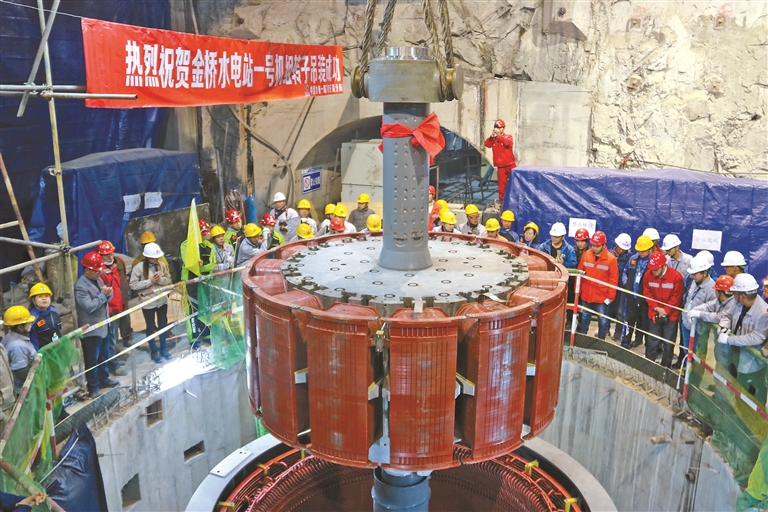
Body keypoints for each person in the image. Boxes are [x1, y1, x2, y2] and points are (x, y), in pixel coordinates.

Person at [717, 273, 768, 401]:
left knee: (752, 398)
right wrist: (723, 326)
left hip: (751, 364)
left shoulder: (763, 312)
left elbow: (757, 337)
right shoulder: (737, 303)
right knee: (737, 389)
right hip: (735, 357)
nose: (732, 295)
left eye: (734, 293)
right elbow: (727, 315)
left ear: (743, 295)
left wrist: (729, 339)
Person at [75, 252, 118, 398]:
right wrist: (103, 295)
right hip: (91, 330)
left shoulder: (98, 279)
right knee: (92, 361)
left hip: (103, 326)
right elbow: (89, 306)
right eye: (96, 271)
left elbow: (107, 297)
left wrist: (108, 293)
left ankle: (103, 379)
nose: (99, 273)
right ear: (87, 270)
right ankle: (93, 388)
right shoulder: (80, 286)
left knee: (103, 357)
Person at [130, 243, 172, 364]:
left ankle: (163, 348)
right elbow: (133, 285)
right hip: (148, 302)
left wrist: (160, 280)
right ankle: (154, 351)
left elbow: (168, 279)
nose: (156, 259)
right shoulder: (138, 268)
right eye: (154, 258)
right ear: (148, 257)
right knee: (150, 326)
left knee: (163, 325)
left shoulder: (161, 264)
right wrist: (149, 281)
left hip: (161, 300)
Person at [643, 251, 685, 367]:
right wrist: (657, 308)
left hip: (671, 315)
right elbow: (647, 293)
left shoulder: (676, 277)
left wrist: (666, 311)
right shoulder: (648, 275)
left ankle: (665, 367)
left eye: (656, 269)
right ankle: (649, 364)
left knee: (668, 343)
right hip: (654, 313)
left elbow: (676, 297)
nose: (654, 272)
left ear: (663, 265)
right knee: (652, 340)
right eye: (652, 269)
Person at [676, 255, 717, 367]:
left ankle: (695, 375)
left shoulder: (711, 288)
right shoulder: (693, 282)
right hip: (686, 324)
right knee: (687, 351)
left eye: (695, 274)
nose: (692, 276)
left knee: (698, 354)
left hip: (699, 329)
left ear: (705, 273)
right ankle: (687, 371)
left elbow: (712, 310)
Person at [577, 231, 619, 340]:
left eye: (597, 246)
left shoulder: (611, 259)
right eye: (593, 245)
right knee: (584, 317)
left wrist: (610, 297)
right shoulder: (586, 255)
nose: (594, 248)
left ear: (603, 245)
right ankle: (582, 338)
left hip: (602, 297)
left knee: (603, 319)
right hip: (587, 294)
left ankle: (601, 340)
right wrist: (578, 291)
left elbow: (613, 279)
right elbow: (580, 273)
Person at [180, 222, 216, 349]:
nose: (207, 235)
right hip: (190, 282)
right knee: (192, 310)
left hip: (205, 282)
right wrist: (199, 265)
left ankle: (206, 334)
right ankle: (194, 338)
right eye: (204, 233)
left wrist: (201, 266)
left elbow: (211, 265)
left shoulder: (209, 245)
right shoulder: (185, 245)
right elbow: (190, 264)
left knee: (205, 308)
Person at [97, 241, 129, 377]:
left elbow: (120, 286)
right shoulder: (100, 272)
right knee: (110, 339)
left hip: (117, 307)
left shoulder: (117, 265)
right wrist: (109, 310)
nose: (110, 257)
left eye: (111, 254)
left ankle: (112, 360)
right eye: (106, 255)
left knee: (114, 337)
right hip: (109, 310)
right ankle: (112, 365)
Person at [688, 275, 736, 362]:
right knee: (719, 360)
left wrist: (699, 314)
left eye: (716, 291)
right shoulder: (719, 300)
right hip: (719, 341)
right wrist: (695, 309)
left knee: (724, 365)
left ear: (721, 293)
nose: (715, 293)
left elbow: (719, 317)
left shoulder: (733, 304)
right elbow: (708, 306)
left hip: (729, 344)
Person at [620, 235, 654, 349]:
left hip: (645, 300)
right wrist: (626, 285)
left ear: (650, 249)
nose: (641, 253)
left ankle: (641, 342)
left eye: (643, 251)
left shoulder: (653, 263)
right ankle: (625, 342)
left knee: (644, 322)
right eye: (639, 250)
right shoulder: (633, 259)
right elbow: (625, 272)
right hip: (631, 297)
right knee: (628, 320)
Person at [1, 306, 37, 395]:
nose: (30, 324)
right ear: (20, 327)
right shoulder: (17, 345)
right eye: (28, 323)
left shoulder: (9, 336)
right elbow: (21, 371)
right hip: (24, 390)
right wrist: (37, 378)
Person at [483, 119, 516, 204]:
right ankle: (503, 205)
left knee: (514, 185)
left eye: (498, 128)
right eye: (495, 127)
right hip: (501, 167)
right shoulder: (494, 139)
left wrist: (498, 136)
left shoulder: (508, 137)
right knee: (502, 188)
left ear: (503, 128)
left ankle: (515, 203)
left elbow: (507, 143)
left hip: (510, 165)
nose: (497, 129)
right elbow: (487, 144)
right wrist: (491, 136)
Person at [609, 233, 632, 341]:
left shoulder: (630, 258)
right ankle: (604, 330)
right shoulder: (609, 254)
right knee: (607, 309)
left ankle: (618, 332)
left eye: (624, 249)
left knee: (620, 311)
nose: (621, 251)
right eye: (620, 248)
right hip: (609, 286)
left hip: (622, 288)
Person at [27, 283, 61, 350]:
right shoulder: (31, 318)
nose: (44, 299)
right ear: (33, 300)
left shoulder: (55, 311)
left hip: (57, 350)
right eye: (40, 296)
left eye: (46, 296)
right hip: (41, 353)